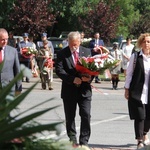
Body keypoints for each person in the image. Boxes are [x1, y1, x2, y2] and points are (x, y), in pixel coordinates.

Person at [55, 31, 93, 147]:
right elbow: (59, 70)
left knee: (86, 115)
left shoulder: (86, 52)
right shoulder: (62, 53)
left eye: (75, 44)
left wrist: (89, 78)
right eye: (71, 44)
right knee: (70, 117)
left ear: (80, 42)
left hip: (84, 90)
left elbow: (93, 68)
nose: (73, 47)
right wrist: (72, 79)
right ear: (68, 42)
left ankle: (84, 141)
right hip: (69, 90)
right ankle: (73, 140)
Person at [124, 33, 150, 149]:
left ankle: (144, 133)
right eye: (144, 41)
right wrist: (126, 89)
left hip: (149, 92)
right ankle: (139, 140)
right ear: (140, 43)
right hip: (137, 91)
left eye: (149, 42)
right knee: (140, 116)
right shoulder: (135, 57)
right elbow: (129, 74)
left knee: (148, 117)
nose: (146, 44)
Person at [0, 28, 22, 97]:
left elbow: (17, 69)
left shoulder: (13, 51)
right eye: (3, 39)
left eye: (6, 39)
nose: (5, 41)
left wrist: (19, 87)